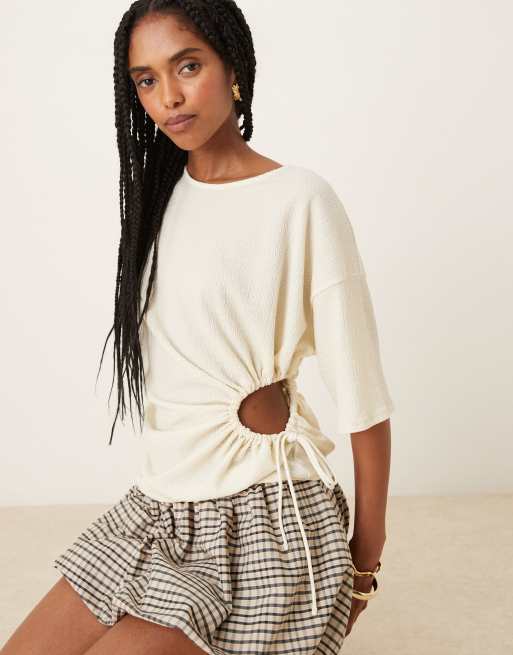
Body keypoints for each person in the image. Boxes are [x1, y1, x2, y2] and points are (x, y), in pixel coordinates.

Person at [0, 1, 394, 654]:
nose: (169, 97)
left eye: (187, 66)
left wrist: (363, 567)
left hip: (266, 520)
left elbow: (364, 399)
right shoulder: (158, 200)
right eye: (146, 79)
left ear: (232, 66)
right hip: (159, 512)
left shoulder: (300, 199)